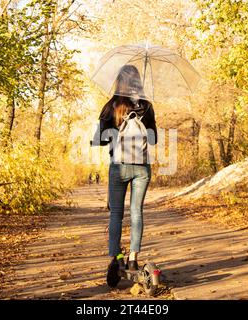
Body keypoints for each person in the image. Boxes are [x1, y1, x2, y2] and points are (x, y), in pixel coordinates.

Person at [91, 64, 158, 287]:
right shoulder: (147, 106)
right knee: (136, 211)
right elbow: (154, 139)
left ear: (119, 82)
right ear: (138, 82)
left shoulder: (111, 106)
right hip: (141, 168)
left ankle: (115, 257)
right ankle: (132, 259)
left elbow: (99, 140)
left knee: (116, 214)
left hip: (118, 166)